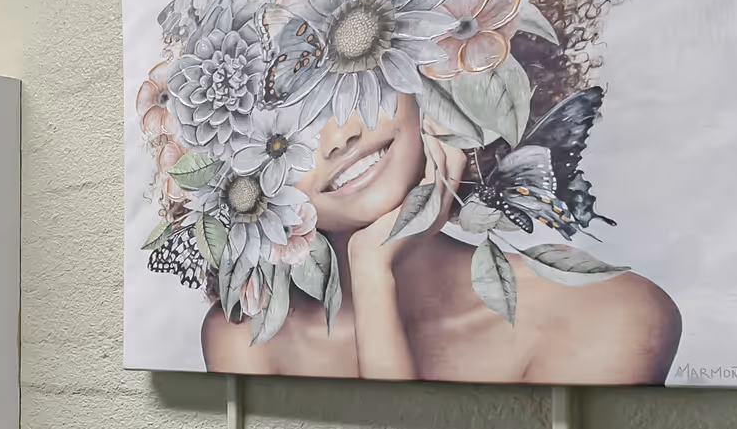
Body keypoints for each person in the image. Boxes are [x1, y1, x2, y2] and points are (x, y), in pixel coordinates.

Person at [200, 93, 681, 382]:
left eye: (350, 87)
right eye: (282, 138)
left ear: (426, 79)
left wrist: (376, 271)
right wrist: (372, 275)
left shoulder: (611, 312)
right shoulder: (246, 338)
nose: (336, 139)